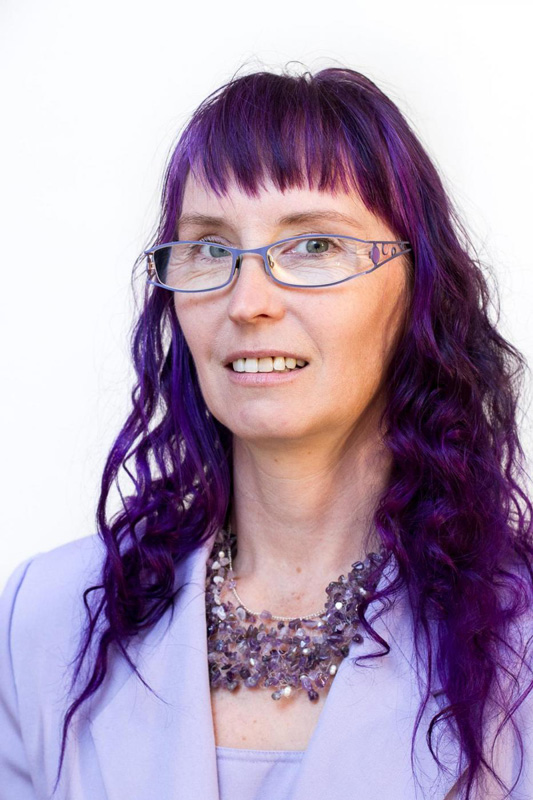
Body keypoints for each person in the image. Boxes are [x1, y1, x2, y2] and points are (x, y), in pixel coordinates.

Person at [1, 63, 533, 800]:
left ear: (420, 289)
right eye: (211, 248)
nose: (247, 301)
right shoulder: (45, 621)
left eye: (313, 245)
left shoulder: (519, 640)